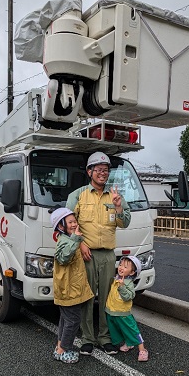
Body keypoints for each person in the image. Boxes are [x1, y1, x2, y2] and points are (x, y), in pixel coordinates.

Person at [66, 151, 131, 356]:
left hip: (108, 255)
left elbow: (125, 222)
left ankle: (105, 337)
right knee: (86, 296)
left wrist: (119, 206)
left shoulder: (115, 196)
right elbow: (68, 225)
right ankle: (87, 338)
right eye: (99, 170)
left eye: (106, 170)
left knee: (106, 297)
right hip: (85, 253)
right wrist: (81, 244)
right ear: (89, 172)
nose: (103, 173)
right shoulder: (78, 195)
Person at [50, 207, 94, 364]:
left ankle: (59, 347)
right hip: (68, 290)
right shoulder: (64, 241)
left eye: (75, 221)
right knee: (73, 320)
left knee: (65, 319)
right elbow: (63, 258)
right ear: (61, 226)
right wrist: (76, 240)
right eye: (70, 222)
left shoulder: (70, 239)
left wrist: (77, 240)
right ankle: (64, 349)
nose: (74, 224)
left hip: (71, 289)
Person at [105, 255, 149, 362]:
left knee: (132, 330)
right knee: (119, 329)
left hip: (123, 313)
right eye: (120, 265)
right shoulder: (117, 278)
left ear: (132, 272)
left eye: (125, 267)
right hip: (112, 311)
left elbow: (129, 296)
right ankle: (128, 344)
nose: (121, 268)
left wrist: (122, 287)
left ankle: (142, 350)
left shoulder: (128, 283)